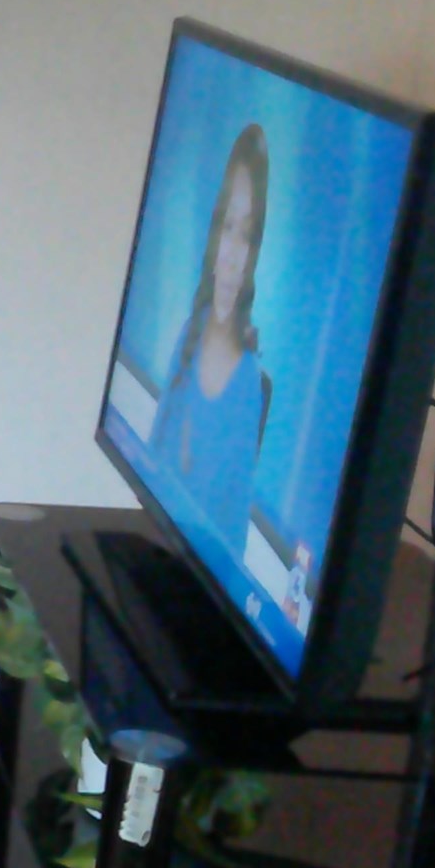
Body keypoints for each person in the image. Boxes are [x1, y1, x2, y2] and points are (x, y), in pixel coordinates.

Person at [148, 124, 274, 559]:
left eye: (248, 235)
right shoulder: (191, 331)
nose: (233, 254)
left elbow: (229, 551)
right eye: (228, 226)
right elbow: (149, 472)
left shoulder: (246, 387)